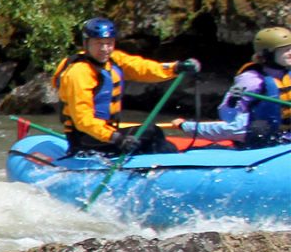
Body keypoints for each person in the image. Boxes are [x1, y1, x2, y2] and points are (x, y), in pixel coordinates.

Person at [54, 17, 196, 155]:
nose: (104, 49)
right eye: (98, 43)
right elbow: (83, 120)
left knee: (154, 134)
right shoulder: (79, 73)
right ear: (86, 44)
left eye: (109, 43)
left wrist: (176, 67)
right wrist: (116, 138)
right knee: (151, 132)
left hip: (107, 134)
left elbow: (143, 68)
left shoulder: (114, 60)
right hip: (86, 139)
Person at [180, 27, 291, 148]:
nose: (290, 53)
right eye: (285, 50)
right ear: (267, 54)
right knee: (259, 127)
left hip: (285, 137)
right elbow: (230, 121)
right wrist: (186, 126)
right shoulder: (252, 81)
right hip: (260, 140)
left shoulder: (288, 75)